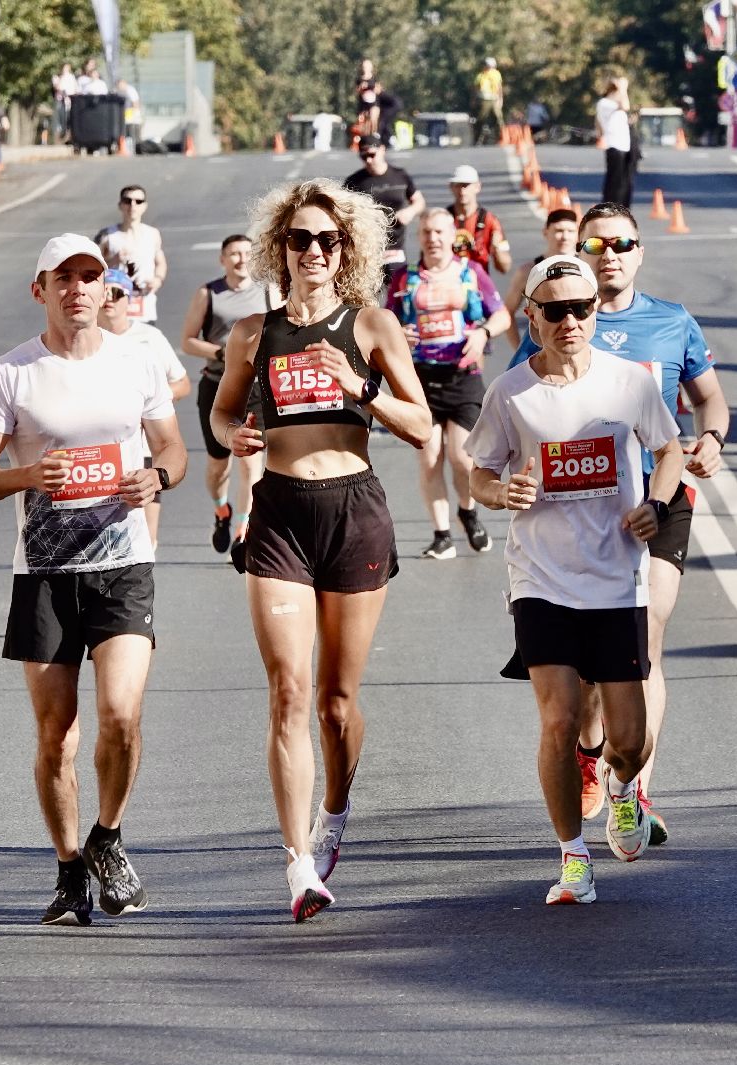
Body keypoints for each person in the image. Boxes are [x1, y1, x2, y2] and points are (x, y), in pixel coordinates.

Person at [207, 178, 430, 921]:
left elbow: (423, 428)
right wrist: (229, 435)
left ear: (346, 251)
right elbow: (221, 411)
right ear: (279, 248)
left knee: (335, 703)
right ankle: (298, 863)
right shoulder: (251, 333)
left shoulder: (370, 325)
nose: (311, 252)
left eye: (325, 241)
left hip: (352, 511)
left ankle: (333, 809)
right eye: (298, 239)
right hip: (277, 513)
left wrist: (360, 387)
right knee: (289, 693)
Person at [0, 234, 187, 925]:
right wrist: (28, 475)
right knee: (57, 733)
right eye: (64, 278)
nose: (79, 289)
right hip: (46, 573)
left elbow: (172, 448)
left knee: (120, 717)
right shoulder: (13, 373)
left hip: (123, 563)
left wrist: (156, 476)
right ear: (41, 290)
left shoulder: (136, 360)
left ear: (104, 288)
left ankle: (107, 837)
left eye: (91, 277)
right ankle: (67, 870)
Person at [466, 255, 685, 905]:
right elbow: (477, 472)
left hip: (617, 580)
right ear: (529, 315)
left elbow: (668, 448)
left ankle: (622, 788)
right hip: (540, 579)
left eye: (580, 309)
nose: (568, 321)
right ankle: (571, 857)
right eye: (553, 310)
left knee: (629, 738)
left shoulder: (629, 382)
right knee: (558, 719)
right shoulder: (509, 393)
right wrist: (501, 490)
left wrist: (657, 504)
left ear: (595, 312)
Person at [508, 203, 729, 844]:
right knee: (584, 674)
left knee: (647, 633)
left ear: (640, 252)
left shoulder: (672, 321)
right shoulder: (556, 315)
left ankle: (634, 783)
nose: (610, 254)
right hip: (579, 510)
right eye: (596, 244)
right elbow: (523, 401)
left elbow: (708, 397)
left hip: (655, 499)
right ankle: (590, 747)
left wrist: (709, 437)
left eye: (622, 243)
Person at [388, 208, 510, 559]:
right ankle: (441, 534)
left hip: (462, 376)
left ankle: (467, 511)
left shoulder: (469, 273)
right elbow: (385, 323)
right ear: (420, 236)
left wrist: (483, 333)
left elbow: (500, 315)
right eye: (426, 232)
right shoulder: (405, 279)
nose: (433, 238)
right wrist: (400, 334)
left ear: (452, 235)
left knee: (460, 457)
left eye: (440, 232)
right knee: (429, 458)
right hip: (419, 379)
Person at [181, 234, 280, 562]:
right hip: (216, 383)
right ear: (222, 260)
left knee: (251, 463)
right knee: (217, 466)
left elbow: (281, 330)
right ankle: (221, 509)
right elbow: (188, 341)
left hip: (256, 386)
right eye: (233, 254)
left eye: (245, 253)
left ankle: (242, 531)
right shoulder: (208, 293)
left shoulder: (268, 290)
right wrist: (226, 351)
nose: (240, 259)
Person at [98, 267, 191, 553]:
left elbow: (183, 382)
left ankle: (145, 563)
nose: (110, 300)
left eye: (118, 294)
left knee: (145, 532)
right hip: (100, 448)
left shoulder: (148, 337)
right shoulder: (84, 341)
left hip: (143, 447)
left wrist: (150, 405)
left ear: (129, 299)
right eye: (106, 293)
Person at [343, 133, 426, 289]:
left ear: (382, 150)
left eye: (372, 155)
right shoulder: (354, 182)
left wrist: (410, 211)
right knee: (368, 298)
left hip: (395, 247)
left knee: (400, 292)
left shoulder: (400, 176)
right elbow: (341, 212)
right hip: (367, 249)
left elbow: (419, 201)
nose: (368, 160)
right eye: (363, 156)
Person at [502, 208, 578, 349]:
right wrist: (519, 349)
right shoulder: (528, 271)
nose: (565, 237)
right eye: (559, 231)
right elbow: (507, 311)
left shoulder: (587, 269)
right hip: (539, 350)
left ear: (578, 235)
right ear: (545, 232)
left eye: (571, 231)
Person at [97, 184, 168, 325]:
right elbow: (92, 268)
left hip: (144, 303)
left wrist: (157, 280)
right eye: (127, 201)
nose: (132, 205)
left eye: (138, 201)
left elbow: (160, 262)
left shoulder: (152, 234)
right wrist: (113, 260)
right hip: (113, 306)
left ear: (145, 206)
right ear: (120, 205)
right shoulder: (107, 235)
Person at [447, 165, 512, 276]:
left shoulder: (490, 221)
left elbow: (505, 267)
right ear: (451, 187)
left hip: (479, 285)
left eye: (466, 185)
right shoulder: (443, 219)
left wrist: (496, 249)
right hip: (449, 284)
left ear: (477, 187)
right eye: (458, 185)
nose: (462, 190)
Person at [597, 78, 635, 207]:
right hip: (614, 146)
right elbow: (625, 105)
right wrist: (623, 88)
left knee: (625, 181)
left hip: (624, 146)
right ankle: (611, 206)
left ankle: (622, 206)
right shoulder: (604, 103)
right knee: (615, 181)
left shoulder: (614, 106)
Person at [475, 57, 505, 146]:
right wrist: (474, 100)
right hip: (484, 99)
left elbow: (499, 87)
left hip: (494, 99)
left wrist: (500, 98)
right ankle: (478, 139)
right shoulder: (480, 75)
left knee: (498, 118)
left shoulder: (496, 74)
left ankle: (500, 138)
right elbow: (476, 88)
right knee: (481, 119)